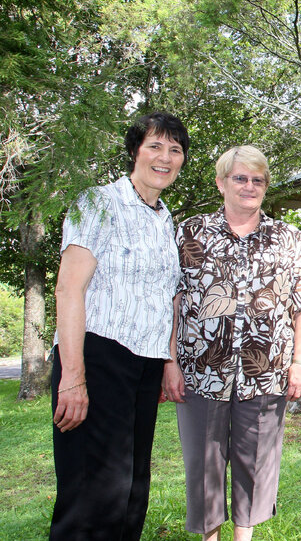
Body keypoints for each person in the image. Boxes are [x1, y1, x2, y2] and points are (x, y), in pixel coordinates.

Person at [164, 145, 301, 541]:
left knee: (256, 462)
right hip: (201, 372)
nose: (249, 186)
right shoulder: (190, 232)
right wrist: (169, 363)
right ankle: (209, 537)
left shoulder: (287, 237)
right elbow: (172, 300)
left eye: (258, 180)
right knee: (203, 463)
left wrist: (300, 363)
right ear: (221, 183)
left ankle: (244, 536)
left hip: (265, 374)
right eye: (240, 178)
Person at [51, 112, 189, 540]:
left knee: (132, 489)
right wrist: (73, 378)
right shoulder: (99, 202)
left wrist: (168, 360)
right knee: (93, 490)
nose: (164, 158)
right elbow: (68, 289)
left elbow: (168, 297)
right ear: (135, 151)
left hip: (145, 365)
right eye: (155, 146)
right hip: (99, 355)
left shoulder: (165, 220)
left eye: (175, 150)